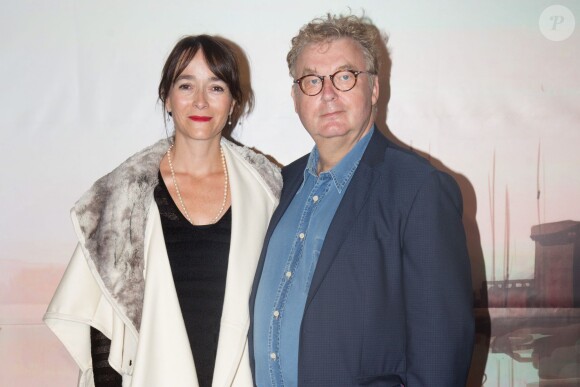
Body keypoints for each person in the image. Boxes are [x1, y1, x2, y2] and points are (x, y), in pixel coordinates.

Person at [249, 13, 474, 386]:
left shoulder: (420, 190)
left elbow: (441, 352)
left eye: (344, 76)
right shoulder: (277, 186)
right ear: (295, 97)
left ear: (373, 89)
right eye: (312, 80)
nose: (328, 93)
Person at [44, 35, 281, 387]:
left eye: (215, 87)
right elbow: (103, 322)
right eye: (186, 85)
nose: (200, 100)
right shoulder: (121, 194)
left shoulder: (268, 187)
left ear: (233, 102)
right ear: (167, 98)